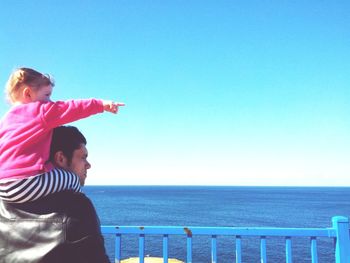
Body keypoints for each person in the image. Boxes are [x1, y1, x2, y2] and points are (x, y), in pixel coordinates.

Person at [0, 67, 125, 203]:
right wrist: (101, 105)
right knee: (71, 179)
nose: (50, 101)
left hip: (3, 185)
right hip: (25, 184)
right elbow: (71, 108)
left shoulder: (5, 120)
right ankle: (78, 208)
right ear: (28, 94)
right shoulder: (40, 110)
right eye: (47, 95)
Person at [0, 126, 110, 263]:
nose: (88, 165)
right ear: (61, 158)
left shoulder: (3, 203)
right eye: (83, 157)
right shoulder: (77, 206)